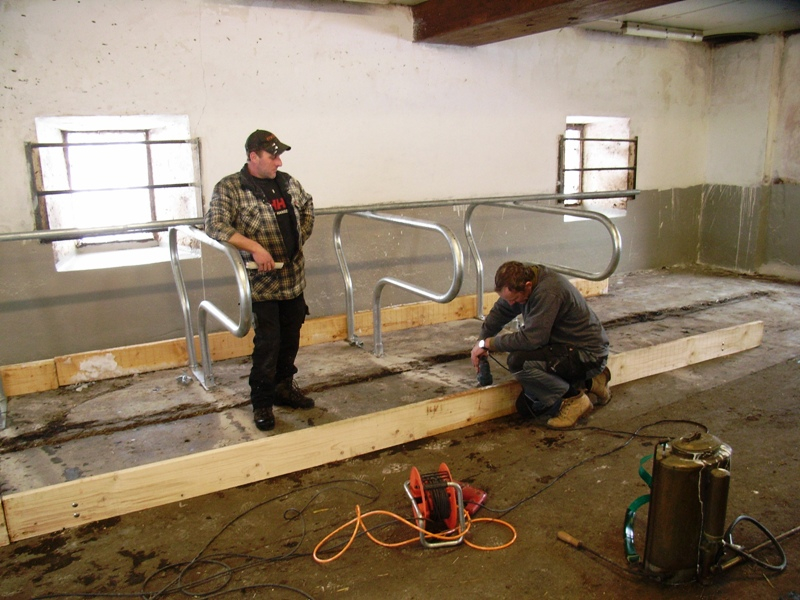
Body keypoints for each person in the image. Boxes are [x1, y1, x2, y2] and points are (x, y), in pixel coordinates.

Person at [205, 129, 315, 432]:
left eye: (280, 156)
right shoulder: (231, 187)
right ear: (253, 156)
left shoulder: (288, 182)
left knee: (290, 338)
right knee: (268, 344)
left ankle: (283, 388)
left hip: (293, 278)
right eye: (273, 156)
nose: (279, 162)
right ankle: (262, 402)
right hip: (262, 283)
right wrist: (254, 247)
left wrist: (297, 241)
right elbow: (214, 225)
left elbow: (307, 207)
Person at [470, 261, 612, 429]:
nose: (511, 304)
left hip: (588, 355)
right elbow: (501, 311)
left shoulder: (548, 292)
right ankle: (592, 382)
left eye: (514, 299)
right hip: (565, 347)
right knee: (527, 407)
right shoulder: (522, 280)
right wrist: (481, 341)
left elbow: (531, 339)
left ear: (528, 286)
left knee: (519, 362)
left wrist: (489, 343)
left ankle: (574, 401)